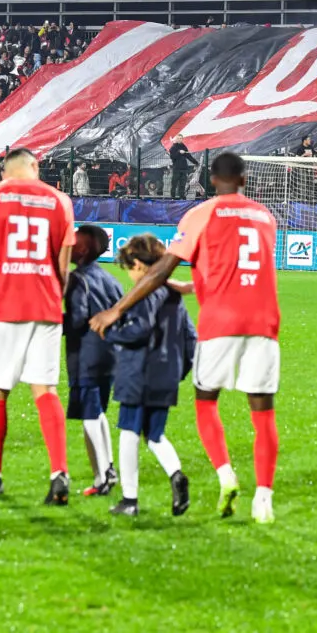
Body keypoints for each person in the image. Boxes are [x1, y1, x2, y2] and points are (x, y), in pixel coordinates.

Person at [92, 152, 280, 524]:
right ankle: (264, 499)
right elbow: (235, 270)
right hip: (263, 322)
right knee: (263, 413)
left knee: (206, 402)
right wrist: (191, 286)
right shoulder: (266, 217)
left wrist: (118, 309)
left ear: (212, 179)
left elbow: (160, 270)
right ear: (244, 179)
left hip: (219, 324)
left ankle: (226, 475)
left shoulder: (201, 214)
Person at [0, 148, 76, 504]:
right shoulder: (60, 200)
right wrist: (55, 298)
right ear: (34, 167)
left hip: (3, 307)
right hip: (46, 306)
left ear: (7, 173)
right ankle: (59, 473)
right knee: (46, 390)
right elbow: (63, 267)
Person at [103, 234, 198, 517]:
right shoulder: (174, 297)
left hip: (138, 373)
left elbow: (140, 329)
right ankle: (176, 474)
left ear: (140, 266)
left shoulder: (142, 293)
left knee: (130, 432)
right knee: (154, 435)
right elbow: (190, 338)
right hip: (166, 375)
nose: (130, 275)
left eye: (129, 267)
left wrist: (110, 333)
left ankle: (129, 500)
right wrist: (179, 371)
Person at [63, 225, 122, 496]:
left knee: (89, 413)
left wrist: (50, 323)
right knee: (97, 412)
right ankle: (104, 474)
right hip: (111, 355)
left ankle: (105, 473)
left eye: (75, 242)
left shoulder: (78, 280)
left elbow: (76, 320)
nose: (70, 245)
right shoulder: (111, 279)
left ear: (84, 249)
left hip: (86, 354)